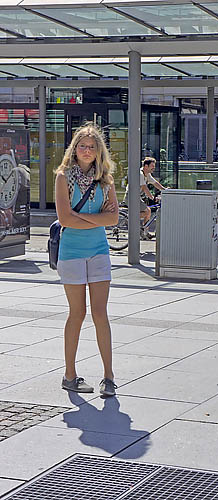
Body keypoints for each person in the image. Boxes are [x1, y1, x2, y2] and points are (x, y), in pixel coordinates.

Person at [55, 123, 119, 396]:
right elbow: (64, 218)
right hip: (71, 253)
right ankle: (70, 375)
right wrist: (96, 219)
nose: (87, 150)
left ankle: (109, 376)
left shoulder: (105, 179)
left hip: (99, 251)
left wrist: (82, 218)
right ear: (75, 148)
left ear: (98, 151)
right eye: (82, 145)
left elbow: (114, 218)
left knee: (100, 313)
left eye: (92, 147)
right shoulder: (62, 176)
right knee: (77, 313)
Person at [123, 157, 167, 239]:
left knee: (147, 212)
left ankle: (143, 230)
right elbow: (144, 187)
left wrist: (165, 190)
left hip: (137, 197)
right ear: (146, 166)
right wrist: (152, 198)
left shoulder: (147, 174)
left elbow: (155, 183)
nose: (154, 168)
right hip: (131, 197)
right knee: (147, 211)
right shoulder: (140, 174)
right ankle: (131, 219)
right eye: (152, 166)